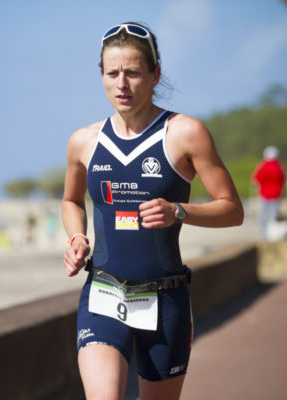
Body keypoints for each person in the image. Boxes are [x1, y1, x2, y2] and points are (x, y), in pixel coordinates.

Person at [62, 22, 244, 400]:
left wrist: (179, 211)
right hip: (103, 294)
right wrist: (77, 236)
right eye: (112, 73)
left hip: (166, 302)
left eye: (132, 73)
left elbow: (232, 209)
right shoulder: (84, 142)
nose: (121, 85)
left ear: (155, 74)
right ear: (101, 75)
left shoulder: (185, 133)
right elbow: (71, 201)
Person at [252, 146, 285, 239]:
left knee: (262, 215)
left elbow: (256, 179)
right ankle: (271, 234)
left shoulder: (263, 166)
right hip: (275, 195)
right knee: (273, 215)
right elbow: (283, 181)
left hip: (264, 195)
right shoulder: (279, 167)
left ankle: (262, 233)